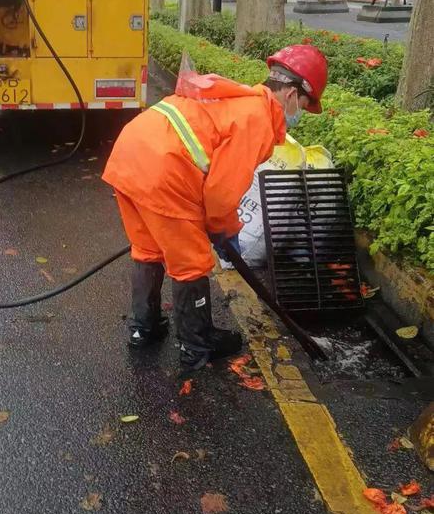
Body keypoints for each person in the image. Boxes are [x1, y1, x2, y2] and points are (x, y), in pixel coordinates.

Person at [102, 45, 328, 370]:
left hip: (130, 153)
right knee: (191, 262)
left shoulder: (239, 99)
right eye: (305, 105)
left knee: (148, 248)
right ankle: (197, 345)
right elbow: (221, 196)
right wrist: (225, 229)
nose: (301, 113)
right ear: (292, 94)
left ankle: (144, 328)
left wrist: (220, 225)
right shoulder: (258, 119)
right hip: (164, 171)